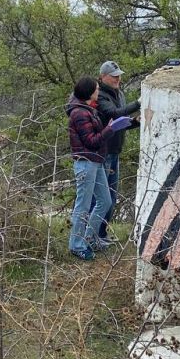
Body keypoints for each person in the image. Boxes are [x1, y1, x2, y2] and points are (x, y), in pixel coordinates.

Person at [65, 76, 134, 260]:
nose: (98, 91)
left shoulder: (88, 109)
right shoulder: (80, 113)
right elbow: (91, 141)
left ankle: (90, 238)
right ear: (89, 93)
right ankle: (77, 245)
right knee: (83, 205)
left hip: (95, 161)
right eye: (96, 89)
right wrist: (110, 129)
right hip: (86, 162)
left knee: (105, 200)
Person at [94, 60, 140, 243]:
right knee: (101, 198)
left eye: (119, 75)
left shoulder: (119, 93)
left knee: (111, 196)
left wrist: (135, 122)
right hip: (103, 152)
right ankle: (93, 235)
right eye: (114, 76)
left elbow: (120, 122)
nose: (117, 79)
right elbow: (114, 114)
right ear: (103, 77)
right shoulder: (100, 96)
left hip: (115, 152)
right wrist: (138, 103)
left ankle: (102, 234)